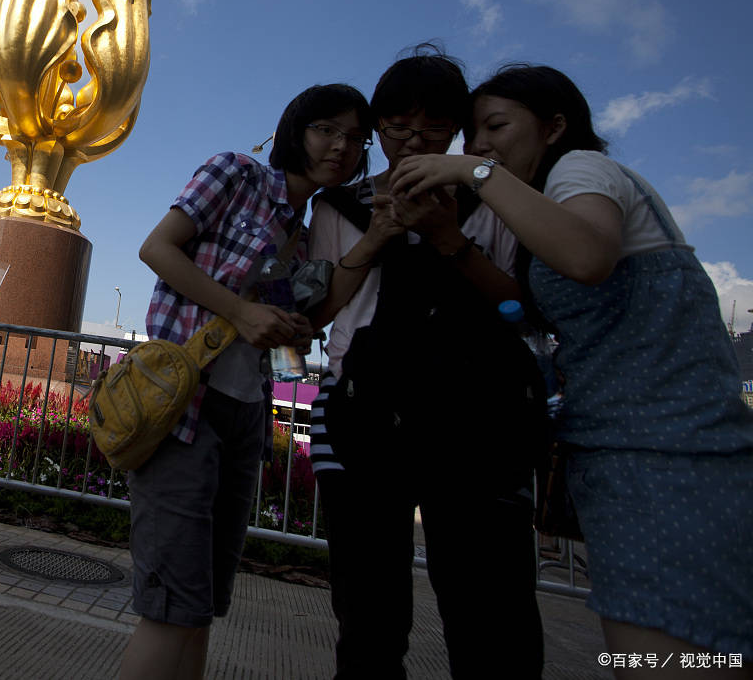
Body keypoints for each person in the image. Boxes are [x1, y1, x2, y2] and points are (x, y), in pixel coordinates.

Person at [390, 64, 753, 673]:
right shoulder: (544, 210)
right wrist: (451, 239)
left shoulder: (583, 169)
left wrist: (469, 172)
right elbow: (522, 309)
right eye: (472, 136)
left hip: (669, 454)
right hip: (626, 453)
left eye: (495, 127)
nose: (480, 146)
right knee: (679, 646)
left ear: (555, 126)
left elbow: (587, 257)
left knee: (661, 651)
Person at [306, 46, 545, 678]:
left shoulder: (496, 200)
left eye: (432, 128)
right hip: (362, 416)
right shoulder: (340, 206)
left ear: (458, 131)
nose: (413, 141)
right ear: (378, 130)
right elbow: (315, 311)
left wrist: (447, 237)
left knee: (491, 616)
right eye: (396, 127)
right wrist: (380, 234)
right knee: (368, 616)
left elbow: (524, 312)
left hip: (477, 416)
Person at [118, 84, 372, 679]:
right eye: (327, 129)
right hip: (184, 404)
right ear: (296, 129)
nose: (342, 146)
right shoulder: (236, 173)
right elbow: (157, 249)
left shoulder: (305, 236)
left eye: (357, 139)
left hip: (244, 414)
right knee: (171, 606)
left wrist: (286, 325)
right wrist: (240, 310)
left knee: (200, 606)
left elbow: (287, 324)